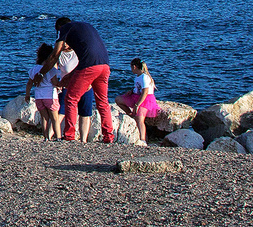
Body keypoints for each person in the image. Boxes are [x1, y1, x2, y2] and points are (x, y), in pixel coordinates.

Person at [35, 16, 115, 144]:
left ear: (59, 29)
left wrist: (41, 74)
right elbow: (88, 56)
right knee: (103, 102)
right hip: (104, 65)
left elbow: (54, 55)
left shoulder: (64, 29)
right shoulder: (86, 26)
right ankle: (108, 136)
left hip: (89, 66)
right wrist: (69, 76)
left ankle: (69, 136)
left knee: (71, 99)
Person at [25, 42, 62, 140]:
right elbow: (55, 82)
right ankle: (58, 137)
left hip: (39, 97)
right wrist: (61, 86)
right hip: (50, 96)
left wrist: (27, 95)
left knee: (44, 118)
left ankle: (46, 137)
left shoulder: (34, 69)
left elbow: (29, 83)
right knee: (55, 118)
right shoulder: (50, 69)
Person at [118, 58, 159, 144]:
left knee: (140, 119)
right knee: (118, 99)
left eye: (131, 67)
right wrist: (132, 91)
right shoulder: (138, 77)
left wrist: (137, 105)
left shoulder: (145, 77)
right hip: (136, 96)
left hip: (145, 99)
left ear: (134, 67)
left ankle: (143, 139)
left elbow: (145, 92)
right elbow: (138, 88)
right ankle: (130, 114)